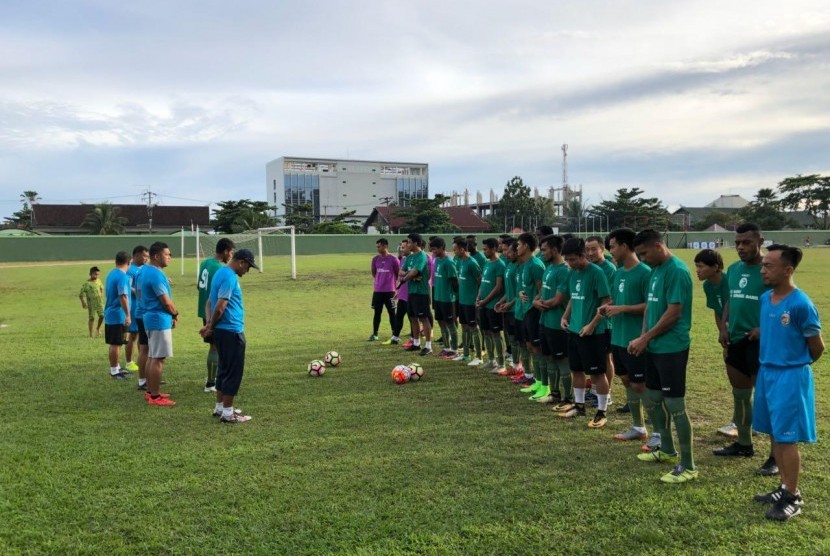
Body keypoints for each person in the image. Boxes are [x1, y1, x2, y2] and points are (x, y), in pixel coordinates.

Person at [752, 245, 823, 520]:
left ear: (788, 270)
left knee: (786, 436)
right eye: (763, 264)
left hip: (790, 376)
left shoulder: (801, 304)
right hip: (767, 372)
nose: (763, 269)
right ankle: (784, 487)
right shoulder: (765, 298)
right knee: (774, 432)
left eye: (769, 265)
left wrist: (794, 369)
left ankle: (793, 496)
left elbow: (817, 348)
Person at [629, 229, 696, 483]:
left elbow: (673, 313)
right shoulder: (655, 270)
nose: (642, 259)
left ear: (658, 246)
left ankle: (688, 465)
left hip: (672, 347)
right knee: (653, 398)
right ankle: (667, 450)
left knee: (675, 405)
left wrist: (646, 338)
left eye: (644, 253)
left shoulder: (677, 271)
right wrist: (644, 337)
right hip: (653, 346)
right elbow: (650, 307)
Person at [716, 223, 775, 475]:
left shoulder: (770, 270)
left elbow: (782, 301)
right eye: (737, 242)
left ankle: (775, 456)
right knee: (740, 396)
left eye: (747, 242)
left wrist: (764, 328)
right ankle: (743, 443)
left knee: (767, 399)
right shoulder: (733, 269)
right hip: (736, 341)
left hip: (761, 343)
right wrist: (724, 326)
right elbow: (730, 298)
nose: (740, 247)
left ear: (760, 241)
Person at [600, 229, 652, 443]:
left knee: (641, 385)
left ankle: (657, 431)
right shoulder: (619, 272)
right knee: (627, 381)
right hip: (618, 338)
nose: (610, 250)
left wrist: (622, 309)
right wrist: (607, 307)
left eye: (612, 246)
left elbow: (651, 306)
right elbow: (617, 299)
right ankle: (638, 427)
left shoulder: (645, 272)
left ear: (624, 246)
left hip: (635, 338)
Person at [200, 249, 258, 424]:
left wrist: (209, 325)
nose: (247, 271)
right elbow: (220, 305)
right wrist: (210, 326)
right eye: (248, 267)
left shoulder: (220, 272)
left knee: (223, 369)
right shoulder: (230, 276)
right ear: (241, 262)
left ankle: (220, 407)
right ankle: (228, 413)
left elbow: (209, 301)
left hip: (221, 331)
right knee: (233, 372)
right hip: (231, 331)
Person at [558, 238, 611, 425]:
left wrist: (592, 325)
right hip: (574, 330)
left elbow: (607, 301)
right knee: (576, 369)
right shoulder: (572, 273)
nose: (569, 263)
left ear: (583, 255)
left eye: (572, 259)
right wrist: (565, 316)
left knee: (597, 373)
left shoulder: (597, 273)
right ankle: (579, 407)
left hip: (594, 333)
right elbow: (573, 297)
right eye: (567, 260)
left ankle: (602, 411)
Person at [693, 249, 735, 438]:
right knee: (737, 383)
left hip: (743, 333)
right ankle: (740, 421)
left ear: (716, 267)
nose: (697, 270)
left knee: (746, 384)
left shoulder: (728, 281)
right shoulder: (708, 285)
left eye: (701, 266)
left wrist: (729, 333)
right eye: (696, 266)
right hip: (729, 336)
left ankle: (741, 422)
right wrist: (722, 334)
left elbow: (731, 306)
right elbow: (718, 312)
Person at [534, 234, 571, 405]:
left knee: (562, 360)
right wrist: (536, 300)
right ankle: (554, 394)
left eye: (544, 250)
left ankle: (568, 398)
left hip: (558, 324)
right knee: (548, 357)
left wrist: (540, 303)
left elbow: (558, 300)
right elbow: (543, 292)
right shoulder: (549, 268)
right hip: (545, 321)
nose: (541, 253)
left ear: (555, 250)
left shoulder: (564, 271)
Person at [141, 242, 178, 407]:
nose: (169, 257)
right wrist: (175, 313)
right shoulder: (155, 274)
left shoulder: (146, 271)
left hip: (150, 317)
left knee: (152, 356)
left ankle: (151, 391)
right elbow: (165, 301)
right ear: (156, 256)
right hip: (158, 319)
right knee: (158, 358)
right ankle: (155, 397)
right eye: (167, 254)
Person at [197, 238, 235, 392]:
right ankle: (211, 383)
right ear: (225, 251)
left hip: (203, 309)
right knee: (215, 347)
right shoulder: (220, 269)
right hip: (212, 311)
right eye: (231, 252)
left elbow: (198, 286)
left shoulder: (205, 263)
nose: (231, 256)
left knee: (214, 346)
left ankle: (212, 377)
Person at [586, 235, 617, 406]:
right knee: (593, 358)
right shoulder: (588, 268)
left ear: (602, 249)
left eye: (593, 249)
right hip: (589, 320)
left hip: (604, 322)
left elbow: (609, 299)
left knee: (606, 358)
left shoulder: (609, 269)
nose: (590, 253)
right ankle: (595, 390)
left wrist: (596, 320)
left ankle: (608, 393)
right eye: (587, 249)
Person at [515, 232, 547, 398]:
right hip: (525, 310)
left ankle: (545, 385)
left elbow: (543, 288)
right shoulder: (524, 265)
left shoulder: (535, 265)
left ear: (526, 246)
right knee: (530, 347)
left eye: (518, 245)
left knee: (537, 348)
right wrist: (521, 293)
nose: (517, 248)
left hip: (534, 311)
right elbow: (524, 286)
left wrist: (535, 299)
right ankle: (537, 381)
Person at [398, 233, 433, 356]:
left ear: (416, 243)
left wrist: (407, 277)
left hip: (421, 293)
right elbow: (401, 271)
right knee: (413, 317)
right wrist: (410, 273)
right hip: (411, 292)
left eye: (409, 242)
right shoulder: (409, 258)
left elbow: (415, 272)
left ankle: (428, 346)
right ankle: (416, 343)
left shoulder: (422, 256)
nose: (407, 244)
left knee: (424, 318)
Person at [476, 238, 506, 373]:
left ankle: (501, 364)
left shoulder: (500, 265)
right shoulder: (487, 264)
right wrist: (478, 296)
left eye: (486, 249)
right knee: (486, 332)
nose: (484, 251)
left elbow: (498, 287)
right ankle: (491, 360)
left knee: (495, 333)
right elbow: (483, 283)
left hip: (493, 306)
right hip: (483, 304)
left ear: (494, 249)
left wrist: (485, 301)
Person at [452, 237, 483, 364]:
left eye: (455, 250)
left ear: (462, 249)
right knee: (464, 327)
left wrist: (478, 298)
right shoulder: (460, 262)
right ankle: (466, 354)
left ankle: (479, 357)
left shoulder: (472, 263)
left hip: (471, 302)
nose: (454, 252)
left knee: (473, 328)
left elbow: (480, 281)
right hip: (462, 300)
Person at [495, 239, 523, 377]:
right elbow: (510, 290)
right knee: (511, 337)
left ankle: (518, 366)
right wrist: (501, 301)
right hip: (508, 308)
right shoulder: (509, 266)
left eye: (508, 250)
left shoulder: (520, 267)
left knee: (519, 339)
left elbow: (521, 292)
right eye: (504, 249)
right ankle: (515, 364)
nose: (505, 253)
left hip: (516, 309)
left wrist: (510, 304)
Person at [103, 252, 132, 380]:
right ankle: (114, 371)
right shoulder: (123, 277)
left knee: (116, 343)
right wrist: (128, 315)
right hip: (117, 314)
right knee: (116, 343)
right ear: (129, 262)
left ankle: (117, 367)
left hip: (110, 312)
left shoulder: (111, 274)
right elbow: (123, 296)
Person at [429, 237, 459, 358]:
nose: (433, 252)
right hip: (438, 298)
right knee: (441, 323)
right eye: (432, 250)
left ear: (441, 248)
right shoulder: (436, 261)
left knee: (451, 324)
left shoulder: (448, 262)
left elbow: (455, 281)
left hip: (447, 299)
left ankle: (455, 350)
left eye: (435, 249)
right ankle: (446, 348)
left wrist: (454, 295)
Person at [369, 238, 400, 342]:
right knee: (377, 312)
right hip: (378, 291)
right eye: (377, 246)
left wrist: (396, 288)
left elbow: (398, 274)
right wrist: (379, 281)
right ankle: (375, 334)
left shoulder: (394, 259)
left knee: (392, 313)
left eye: (379, 246)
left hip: (390, 291)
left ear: (385, 246)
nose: (378, 248)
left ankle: (394, 334)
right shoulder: (375, 259)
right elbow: (374, 273)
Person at [124, 246, 148, 373]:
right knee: (132, 335)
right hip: (133, 306)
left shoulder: (144, 269)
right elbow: (128, 287)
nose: (146, 258)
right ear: (137, 255)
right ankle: (129, 362)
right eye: (144, 256)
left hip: (142, 307)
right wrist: (141, 292)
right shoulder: (130, 270)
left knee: (141, 335)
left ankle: (141, 359)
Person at [386, 240, 409, 347]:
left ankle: (414, 339)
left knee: (412, 317)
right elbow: (400, 276)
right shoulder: (403, 260)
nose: (401, 249)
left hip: (412, 294)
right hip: (403, 294)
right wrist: (398, 291)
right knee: (399, 315)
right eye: (400, 247)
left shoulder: (414, 259)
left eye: (403, 247)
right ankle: (395, 337)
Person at [79, 266, 104, 338]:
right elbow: (81, 295)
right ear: (90, 274)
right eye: (95, 274)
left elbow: (101, 288)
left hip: (99, 302)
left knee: (102, 316)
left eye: (98, 274)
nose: (96, 276)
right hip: (91, 303)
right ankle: (91, 333)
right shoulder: (87, 284)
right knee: (91, 317)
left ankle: (98, 328)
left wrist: (101, 295)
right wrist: (83, 303)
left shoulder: (99, 281)